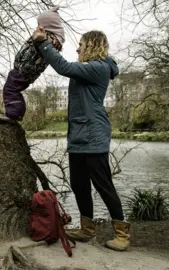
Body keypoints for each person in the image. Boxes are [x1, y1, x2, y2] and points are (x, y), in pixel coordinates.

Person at [31, 27, 130, 251]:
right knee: (79, 184)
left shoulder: (99, 68)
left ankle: (122, 234)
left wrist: (44, 43)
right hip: (78, 135)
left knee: (103, 185)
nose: (78, 48)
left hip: (93, 135)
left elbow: (63, 67)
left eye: (82, 44)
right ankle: (87, 228)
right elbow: (66, 66)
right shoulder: (89, 68)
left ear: (92, 46)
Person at [0, 6, 65, 123]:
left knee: (10, 89)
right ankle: (17, 113)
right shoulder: (50, 39)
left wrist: (37, 37)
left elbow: (39, 42)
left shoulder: (45, 37)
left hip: (25, 69)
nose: (38, 26)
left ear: (49, 25)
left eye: (40, 24)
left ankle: (13, 114)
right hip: (27, 70)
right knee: (14, 90)